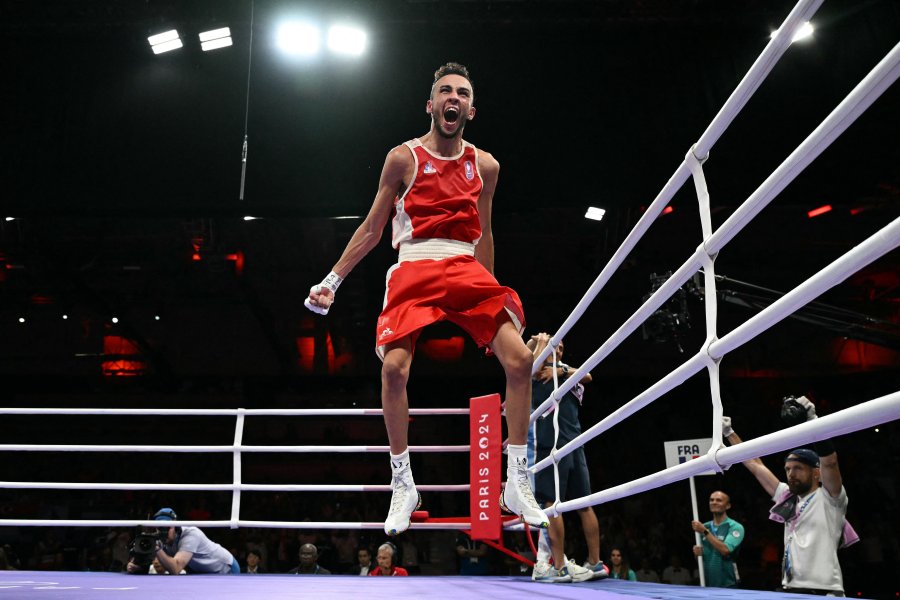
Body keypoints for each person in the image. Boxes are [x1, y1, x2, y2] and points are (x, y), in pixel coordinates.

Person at [305, 61, 548, 537]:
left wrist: (489, 297)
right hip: (415, 264)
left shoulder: (487, 166)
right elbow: (374, 227)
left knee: (519, 362)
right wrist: (332, 280)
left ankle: (516, 480)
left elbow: (486, 231)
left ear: (470, 110)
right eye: (444, 91)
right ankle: (403, 483)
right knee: (393, 370)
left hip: (465, 267)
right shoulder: (403, 158)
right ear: (431, 105)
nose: (452, 98)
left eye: (460, 92)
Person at [724, 395, 853, 595]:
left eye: (798, 468)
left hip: (824, 591)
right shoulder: (787, 496)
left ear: (816, 472)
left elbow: (830, 461)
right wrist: (730, 433)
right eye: (788, 469)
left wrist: (813, 420)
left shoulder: (830, 498)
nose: (791, 474)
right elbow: (755, 466)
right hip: (791, 589)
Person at [526, 333, 608, 584]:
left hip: (556, 445)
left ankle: (567, 565)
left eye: (560, 346)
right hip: (567, 443)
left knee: (561, 504)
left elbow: (588, 375)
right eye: (554, 345)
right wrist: (538, 343)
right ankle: (588, 563)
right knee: (569, 504)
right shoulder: (536, 371)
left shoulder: (563, 372)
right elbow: (528, 362)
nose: (558, 348)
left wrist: (558, 370)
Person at [126, 508, 239, 575]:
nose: (163, 532)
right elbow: (159, 564)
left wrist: (157, 549)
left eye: (167, 528)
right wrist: (138, 567)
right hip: (201, 572)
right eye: (160, 528)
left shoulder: (191, 534)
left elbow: (175, 569)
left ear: (175, 526)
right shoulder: (160, 538)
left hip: (225, 567)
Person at [691, 490, 744, 588]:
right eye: (711, 500)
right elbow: (702, 557)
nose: (714, 502)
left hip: (728, 583)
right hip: (706, 583)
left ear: (727, 506)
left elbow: (725, 550)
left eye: (719, 500)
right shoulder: (704, 526)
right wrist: (697, 554)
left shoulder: (735, 527)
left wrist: (705, 532)